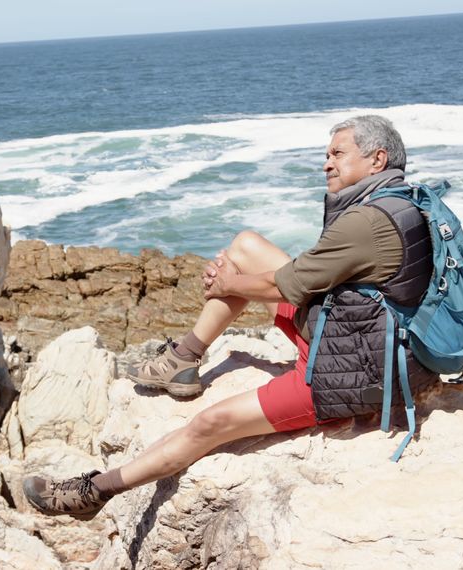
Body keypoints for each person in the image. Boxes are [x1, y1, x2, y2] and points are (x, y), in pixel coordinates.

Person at [22, 115, 437, 519]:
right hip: (355, 335)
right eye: (327, 154)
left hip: (349, 376)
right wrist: (236, 278)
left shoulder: (367, 221)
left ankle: (95, 492)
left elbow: (286, 287)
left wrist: (228, 285)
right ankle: (184, 358)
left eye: (338, 153)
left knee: (210, 423)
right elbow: (317, 279)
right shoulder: (401, 200)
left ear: (377, 160)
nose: (326, 162)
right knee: (246, 246)